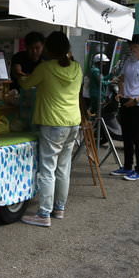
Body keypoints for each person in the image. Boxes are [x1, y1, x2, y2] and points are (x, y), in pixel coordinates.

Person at [18, 31, 83, 228]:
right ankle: (59, 208)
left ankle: (43, 213)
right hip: (73, 122)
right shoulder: (77, 68)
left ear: (48, 49)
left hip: (53, 123)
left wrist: (20, 75)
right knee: (64, 168)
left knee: (48, 169)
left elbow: (27, 85)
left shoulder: (45, 68)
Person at [110, 34, 139, 181]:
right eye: (131, 48)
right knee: (127, 137)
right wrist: (120, 90)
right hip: (126, 103)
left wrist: (137, 100)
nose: (133, 51)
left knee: (138, 138)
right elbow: (122, 78)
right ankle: (127, 167)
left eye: (136, 48)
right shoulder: (129, 61)